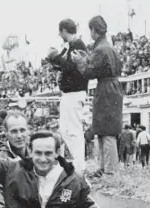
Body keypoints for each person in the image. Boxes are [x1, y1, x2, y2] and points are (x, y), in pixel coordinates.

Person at [72, 15, 124, 176]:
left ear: (94, 30)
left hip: (106, 89)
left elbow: (90, 72)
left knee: (106, 131)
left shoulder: (101, 49)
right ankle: (105, 167)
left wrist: (79, 61)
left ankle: (109, 170)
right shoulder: (109, 47)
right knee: (103, 129)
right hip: (112, 87)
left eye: (91, 30)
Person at [46, 19, 89, 172]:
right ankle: (76, 163)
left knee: (73, 130)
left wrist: (56, 57)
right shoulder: (72, 45)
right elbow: (68, 66)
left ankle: (79, 165)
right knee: (65, 130)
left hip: (74, 93)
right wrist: (55, 61)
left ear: (64, 30)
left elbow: (71, 67)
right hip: (70, 93)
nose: (60, 35)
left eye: (60, 32)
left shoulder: (77, 44)